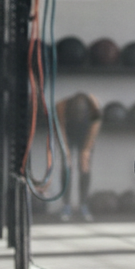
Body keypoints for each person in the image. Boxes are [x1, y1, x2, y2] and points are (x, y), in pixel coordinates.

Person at [55, 92, 101, 222]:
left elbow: (94, 127)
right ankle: (66, 205)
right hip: (69, 132)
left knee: (85, 167)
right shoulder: (61, 106)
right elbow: (60, 128)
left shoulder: (94, 105)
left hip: (84, 133)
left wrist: (86, 151)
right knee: (66, 166)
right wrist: (65, 150)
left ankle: (83, 205)